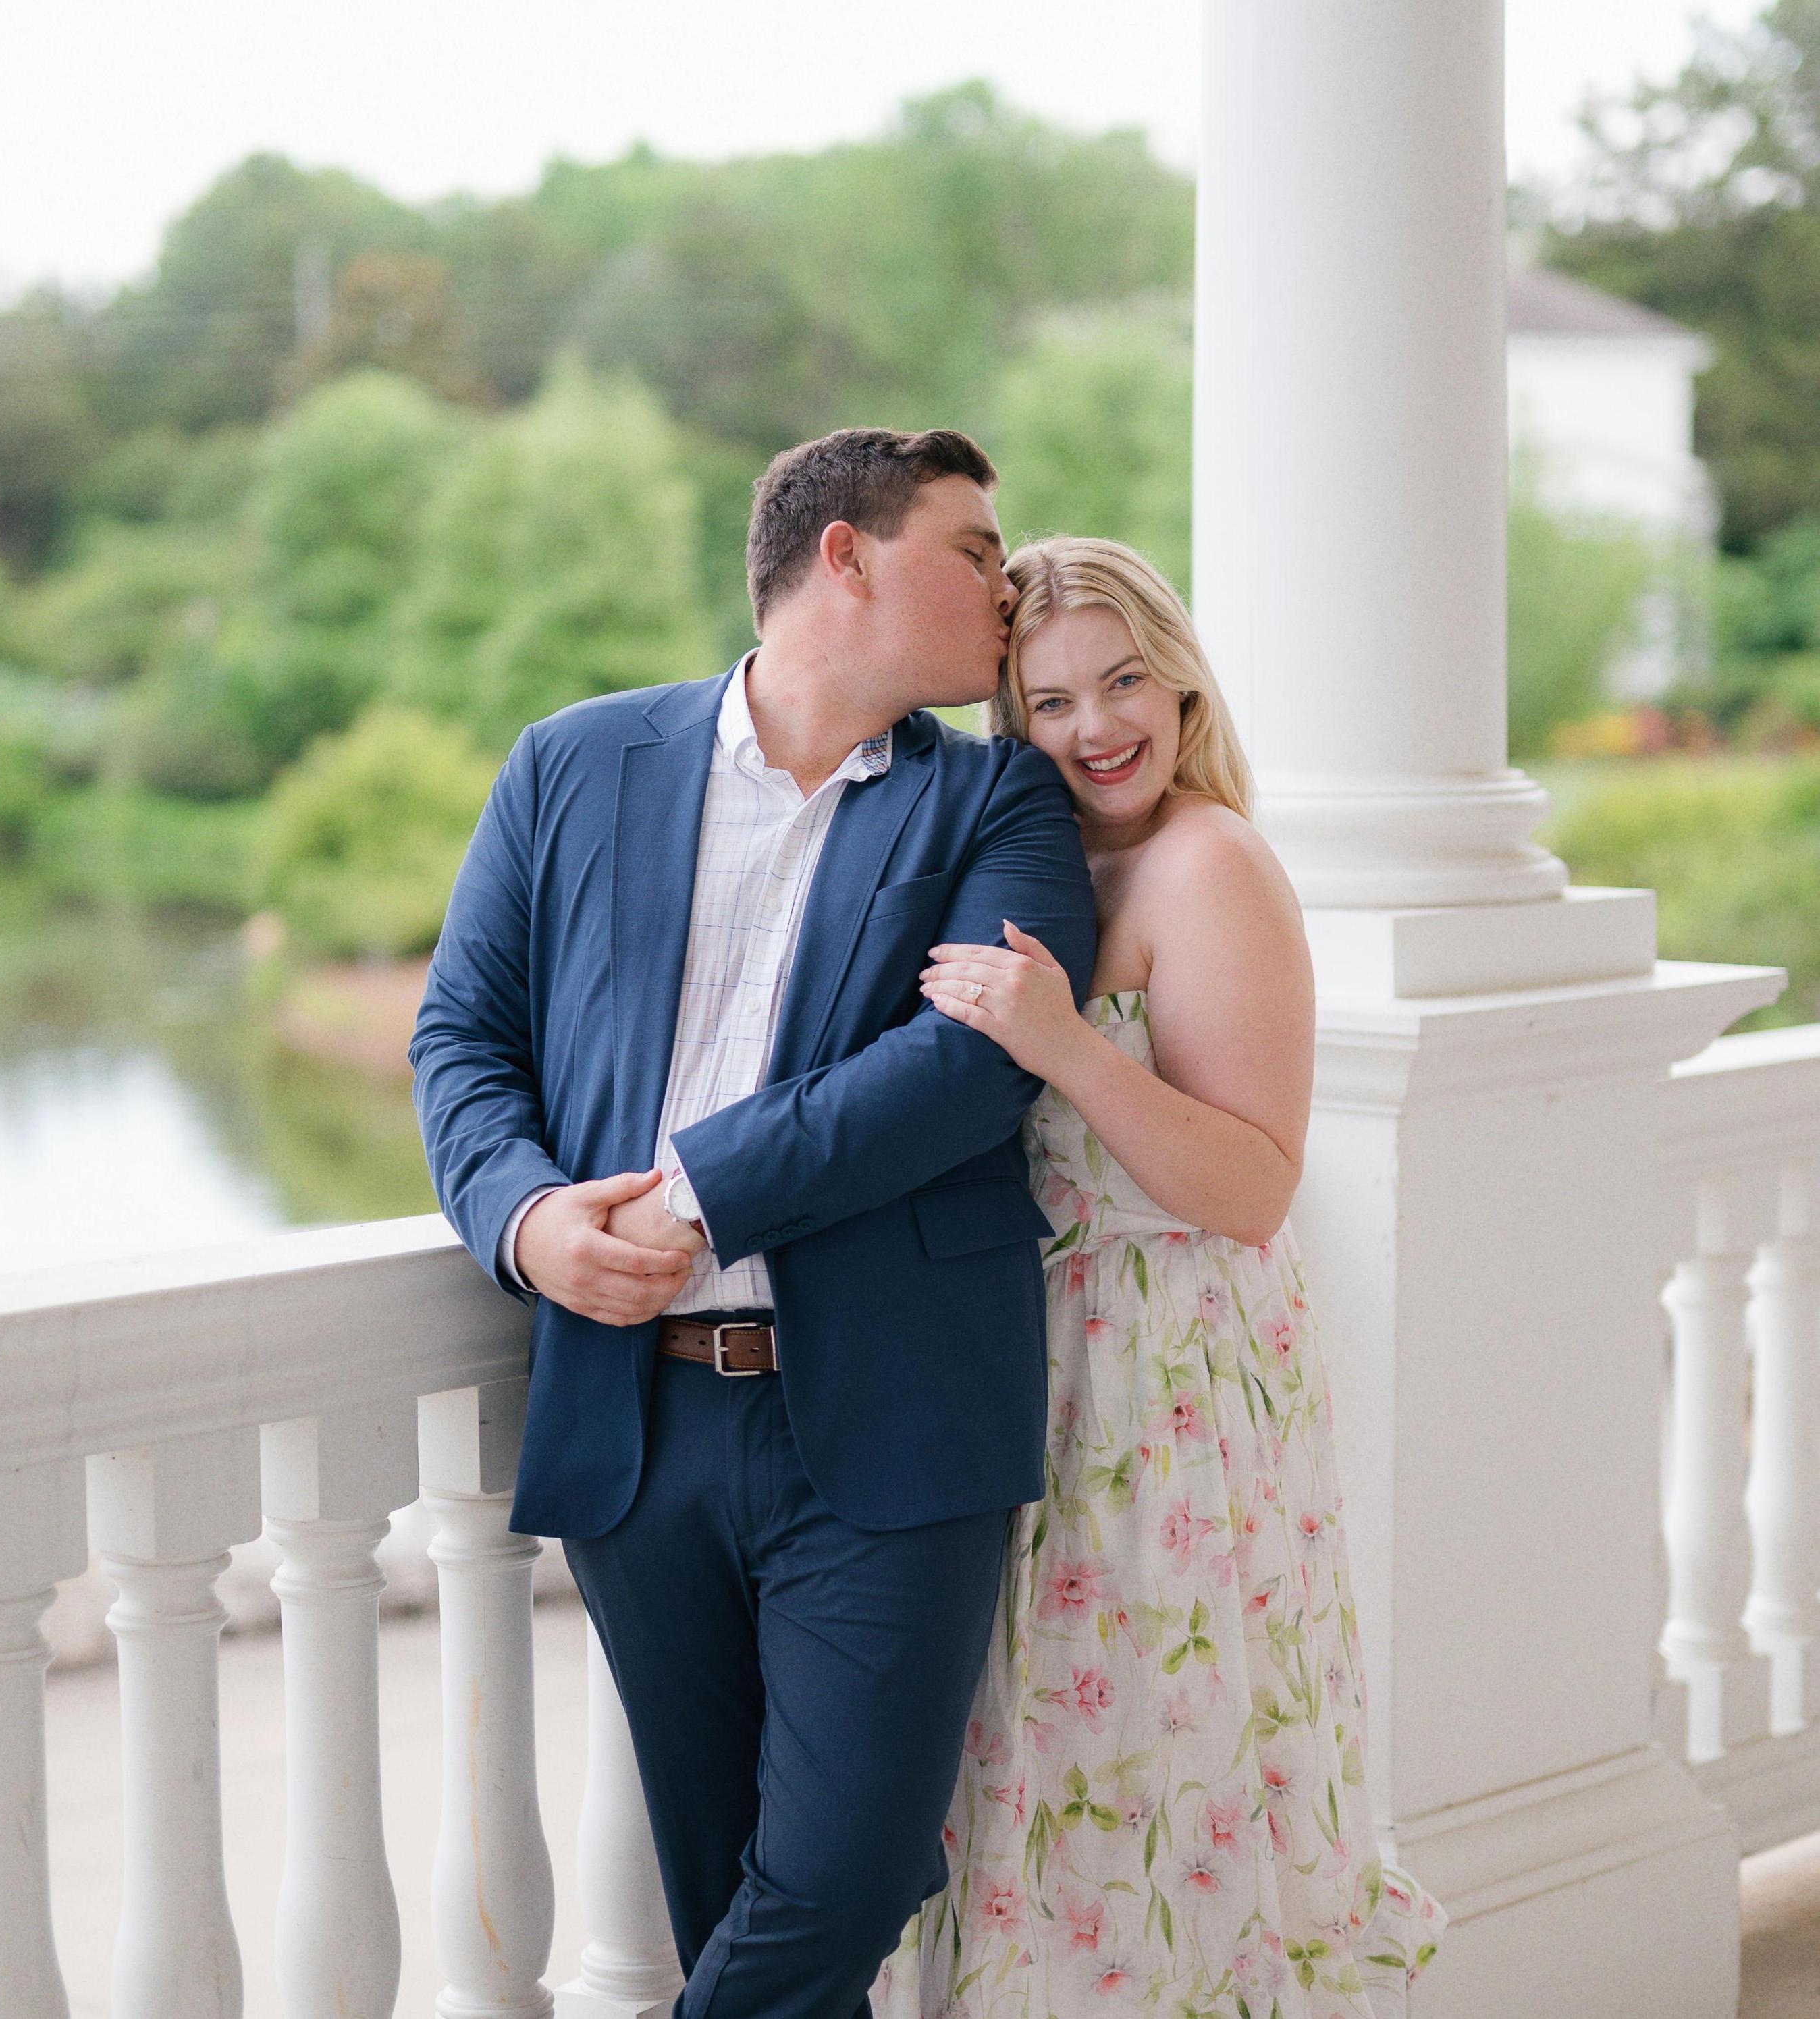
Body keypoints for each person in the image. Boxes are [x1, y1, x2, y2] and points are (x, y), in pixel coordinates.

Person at [411, 429, 1099, 2019]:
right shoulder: (570, 762)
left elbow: (965, 1067)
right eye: (972, 550)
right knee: (726, 1891)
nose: (1005, 586)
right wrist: (525, 1220)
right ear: (844, 555)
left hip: (889, 1417)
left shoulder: (997, 794)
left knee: (842, 1876)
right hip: (632, 1422)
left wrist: (694, 1186)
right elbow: (460, 1037)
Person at [874, 537, 1447, 2018]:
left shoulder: (1210, 862)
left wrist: (1064, 1042)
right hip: (1033, 1362)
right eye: (1051, 699)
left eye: (1123, 680)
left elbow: (1252, 1185)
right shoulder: (1029, 849)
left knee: (1152, 1756)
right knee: (1034, 1768)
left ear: (1180, 682)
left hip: (1168, 1373)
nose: (1095, 727)